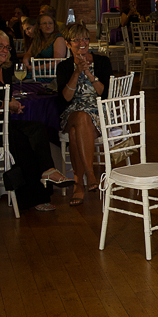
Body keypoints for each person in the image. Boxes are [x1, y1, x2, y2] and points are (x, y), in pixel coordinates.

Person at [0, 30, 71, 212]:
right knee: (21, 140)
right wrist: (8, 104)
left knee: (37, 128)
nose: (6, 50)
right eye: (0, 46)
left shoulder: (4, 69)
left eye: (7, 47)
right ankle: (33, 198)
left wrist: (10, 105)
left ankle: (48, 170)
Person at [56, 23, 112, 206]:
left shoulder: (102, 62)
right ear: (67, 43)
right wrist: (77, 72)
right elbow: (65, 98)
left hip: (97, 111)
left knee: (75, 132)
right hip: (72, 111)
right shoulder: (64, 67)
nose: (82, 43)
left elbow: (104, 93)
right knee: (80, 116)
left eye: (85, 39)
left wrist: (88, 73)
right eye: (77, 39)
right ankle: (90, 172)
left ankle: (79, 184)